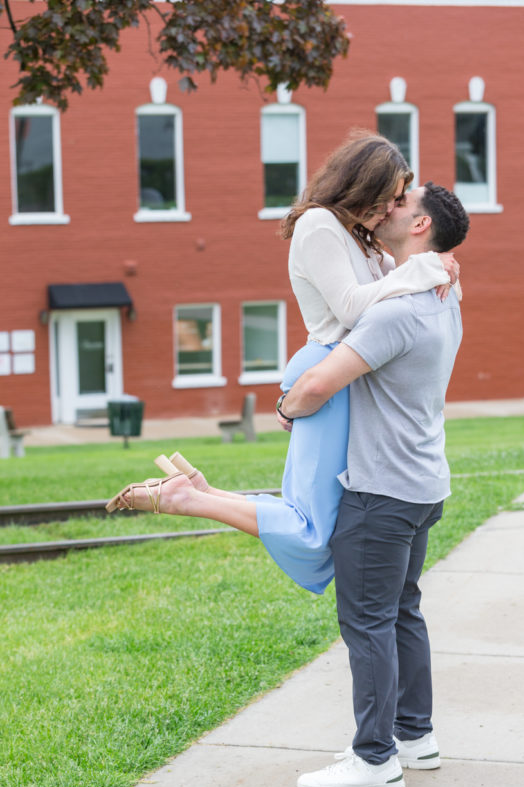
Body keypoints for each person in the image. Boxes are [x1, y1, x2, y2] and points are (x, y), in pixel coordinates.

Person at [107, 133, 458, 595]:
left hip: (342, 379)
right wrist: (420, 269)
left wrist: (440, 263)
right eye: (387, 198)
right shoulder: (319, 225)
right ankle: (188, 498)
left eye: (398, 202)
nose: (390, 209)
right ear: (361, 185)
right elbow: (354, 309)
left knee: (321, 521)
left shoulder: (359, 236)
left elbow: (399, 291)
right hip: (326, 376)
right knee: (312, 529)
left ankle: (199, 491)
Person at [274, 182, 470, 787]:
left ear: (419, 229)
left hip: (379, 491)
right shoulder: (444, 296)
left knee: (367, 623)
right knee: (401, 611)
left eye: (400, 206)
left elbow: (317, 387)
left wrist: (286, 405)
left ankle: (375, 759)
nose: (387, 208)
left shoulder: (395, 311)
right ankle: (416, 736)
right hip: (422, 484)